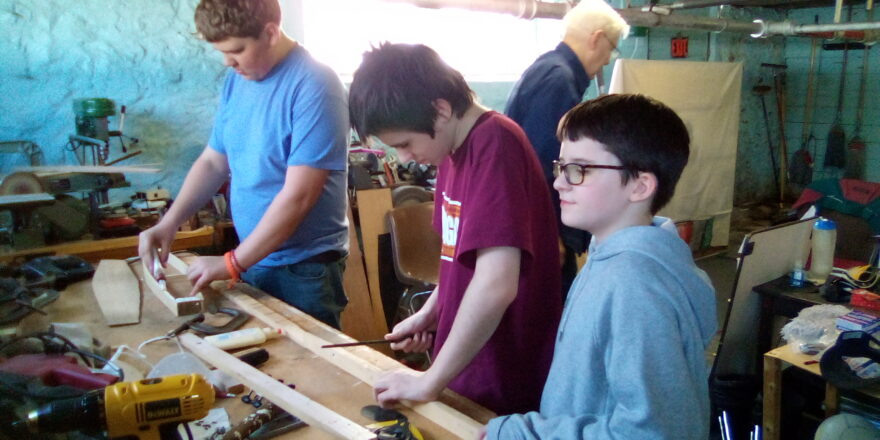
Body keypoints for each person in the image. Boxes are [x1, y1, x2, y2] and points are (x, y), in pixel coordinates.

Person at [485, 94, 717, 439]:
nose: (559, 182)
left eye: (579, 169)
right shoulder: (609, 257)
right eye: (560, 167)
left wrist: (523, 434)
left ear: (640, 185)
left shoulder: (632, 285)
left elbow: (653, 432)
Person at [348, 42, 563, 415]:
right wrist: (432, 312)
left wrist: (428, 381)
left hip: (503, 369)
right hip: (470, 361)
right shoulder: (452, 152)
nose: (405, 157)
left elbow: (496, 284)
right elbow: (456, 262)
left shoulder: (496, 144)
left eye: (405, 143)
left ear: (441, 110)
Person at [137, 0, 350, 329]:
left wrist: (233, 263)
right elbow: (212, 162)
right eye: (221, 52)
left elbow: (299, 196)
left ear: (270, 32)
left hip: (303, 269)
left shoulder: (315, 85)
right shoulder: (238, 80)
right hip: (255, 259)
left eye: (236, 50)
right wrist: (170, 223)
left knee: (309, 372)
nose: (227, 62)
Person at [505, 0, 629, 299]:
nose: (609, 59)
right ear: (597, 38)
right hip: (543, 229)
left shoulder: (549, 69)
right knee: (553, 316)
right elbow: (541, 165)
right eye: (612, 48)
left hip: (532, 223)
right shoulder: (559, 81)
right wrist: (548, 233)